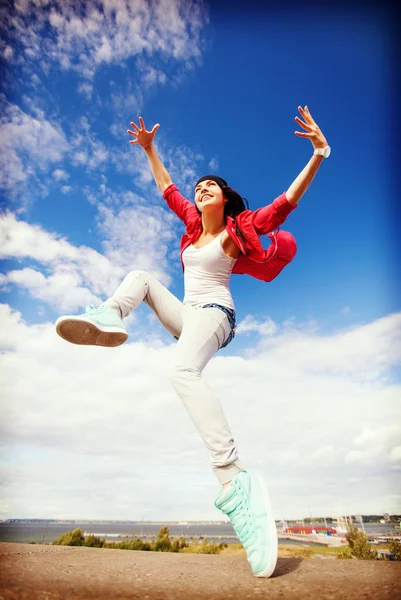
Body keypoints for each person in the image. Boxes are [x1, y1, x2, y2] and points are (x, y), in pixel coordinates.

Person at [55, 106, 330, 578]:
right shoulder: (189, 227)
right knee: (141, 277)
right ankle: (110, 317)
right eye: (200, 186)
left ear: (224, 199)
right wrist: (149, 149)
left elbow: (284, 203)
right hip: (187, 317)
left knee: (181, 370)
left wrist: (319, 154)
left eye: (211, 186)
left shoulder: (237, 231)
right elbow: (168, 188)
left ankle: (233, 480)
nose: (201, 189)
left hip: (216, 317)